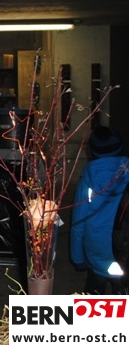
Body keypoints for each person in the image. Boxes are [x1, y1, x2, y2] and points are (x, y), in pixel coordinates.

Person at [71, 126, 129, 294]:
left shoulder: (87, 183)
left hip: (97, 248)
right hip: (124, 246)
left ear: (92, 151)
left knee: (95, 288)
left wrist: (77, 257)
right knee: (121, 285)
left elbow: (79, 223)